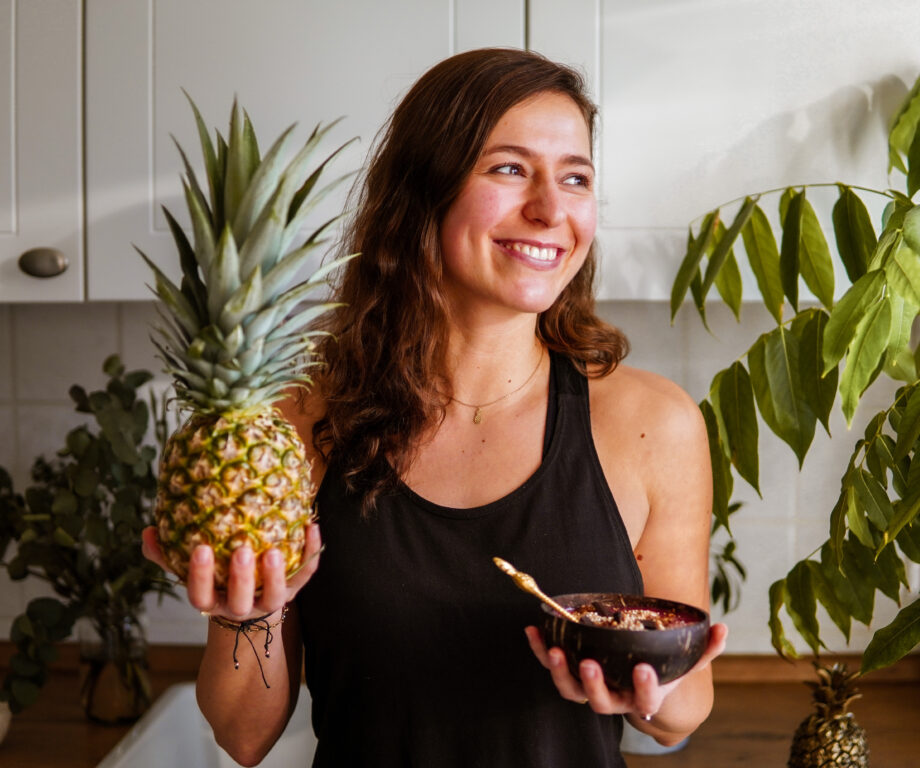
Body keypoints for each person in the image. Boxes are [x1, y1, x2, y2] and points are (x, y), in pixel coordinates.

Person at [143, 47, 727, 767]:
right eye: (509, 169)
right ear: (424, 192)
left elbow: (684, 711)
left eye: (575, 177)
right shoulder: (296, 425)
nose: (550, 209)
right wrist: (247, 619)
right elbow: (245, 734)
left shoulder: (651, 424)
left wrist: (641, 687)